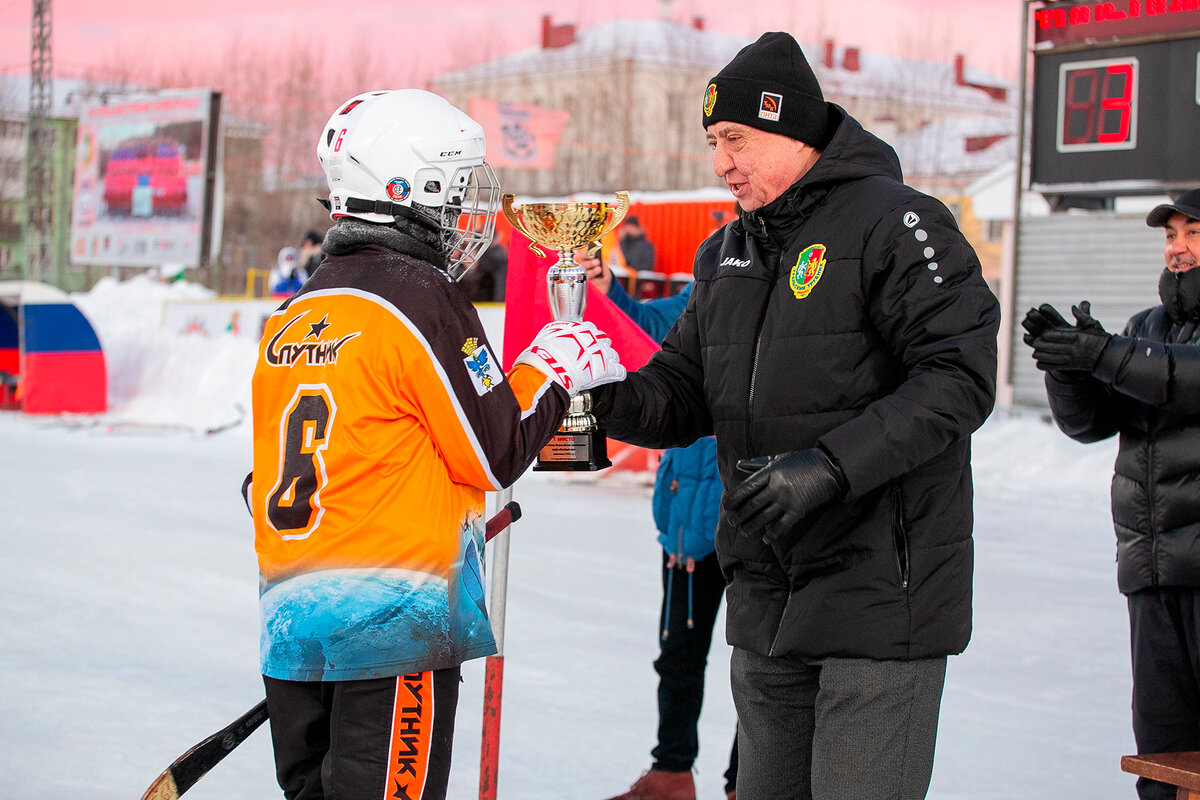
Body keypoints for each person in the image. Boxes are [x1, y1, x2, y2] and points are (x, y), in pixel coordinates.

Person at [587, 32, 1000, 800]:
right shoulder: (726, 253)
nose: (721, 162)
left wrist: (829, 468)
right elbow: (680, 390)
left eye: (735, 139)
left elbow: (958, 377)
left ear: (792, 129)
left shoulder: (898, 223)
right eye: (713, 141)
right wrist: (598, 396)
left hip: (879, 596)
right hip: (767, 593)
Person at [243, 88, 624, 800]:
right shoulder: (421, 297)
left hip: (293, 634)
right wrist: (553, 365)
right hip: (394, 634)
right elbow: (493, 451)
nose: (467, 212)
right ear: (406, 190)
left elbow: (262, 484)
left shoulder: (294, 313)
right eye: (456, 190)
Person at [1022, 187, 1200, 800]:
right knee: (1162, 761)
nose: (1177, 249)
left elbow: (1186, 377)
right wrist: (1070, 369)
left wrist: (1107, 354)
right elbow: (1092, 423)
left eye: (1193, 234)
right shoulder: (1148, 330)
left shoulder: (1141, 345)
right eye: (1171, 236)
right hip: (1153, 567)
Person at [583, 253, 738, 800]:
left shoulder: (787, 308)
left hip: (758, 517)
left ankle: (748, 781)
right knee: (678, 654)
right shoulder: (702, 298)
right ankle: (672, 771)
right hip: (688, 520)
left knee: (759, 665)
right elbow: (647, 327)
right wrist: (606, 289)